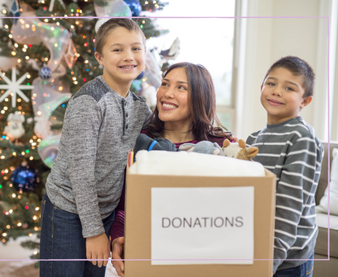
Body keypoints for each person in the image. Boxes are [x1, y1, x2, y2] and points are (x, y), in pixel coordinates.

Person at [39, 18, 152, 277]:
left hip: (105, 210)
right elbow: (80, 175)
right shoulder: (89, 102)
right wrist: (94, 232)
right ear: (99, 57)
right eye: (117, 49)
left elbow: (165, 137)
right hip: (67, 210)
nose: (128, 56)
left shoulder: (139, 108)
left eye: (136, 48)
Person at [110, 62, 233, 277]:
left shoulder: (220, 146)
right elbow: (124, 203)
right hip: (148, 250)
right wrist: (118, 234)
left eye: (181, 88)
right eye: (165, 84)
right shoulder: (140, 140)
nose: (167, 93)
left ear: (199, 97)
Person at [246, 56, 323, 276]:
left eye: (289, 88)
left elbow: (289, 206)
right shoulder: (252, 140)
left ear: (305, 101)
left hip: (287, 259)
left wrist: (269, 261)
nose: (276, 91)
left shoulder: (301, 138)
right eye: (271, 83)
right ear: (261, 87)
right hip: (258, 249)